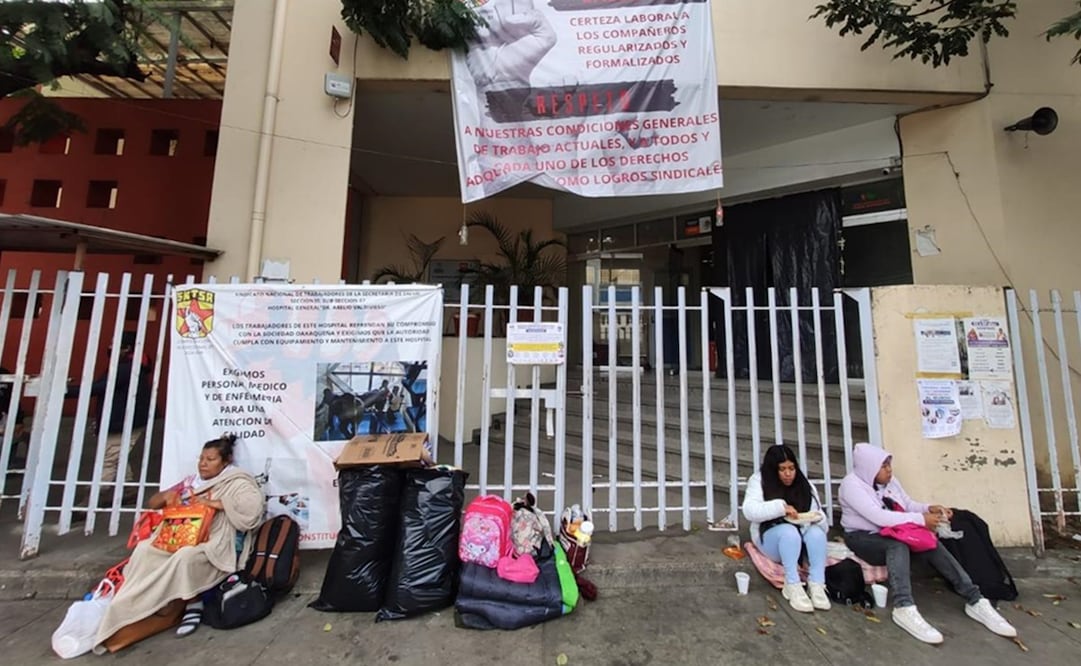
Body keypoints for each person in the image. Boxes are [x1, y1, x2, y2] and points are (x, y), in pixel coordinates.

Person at [93, 435, 265, 651]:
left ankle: (192, 602)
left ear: (226, 461)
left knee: (185, 557)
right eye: (201, 458)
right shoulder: (191, 483)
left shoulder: (238, 482)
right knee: (145, 549)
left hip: (216, 541)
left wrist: (212, 503)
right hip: (181, 536)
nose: (203, 464)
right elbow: (153, 503)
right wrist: (167, 496)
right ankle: (128, 599)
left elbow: (252, 511)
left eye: (210, 459)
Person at [839, 443, 1016, 644]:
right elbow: (879, 517)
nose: (889, 470)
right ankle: (904, 606)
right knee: (897, 546)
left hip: (896, 531)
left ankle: (975, 599)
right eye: (883, 466)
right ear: (869, 468)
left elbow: (907, 505)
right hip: (863, 536)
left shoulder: (891, 482)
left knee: (929, 541)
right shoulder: (851, 485)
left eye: (889, 464)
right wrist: (921, 520)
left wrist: (928, 508)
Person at [742, 444, 830, 613]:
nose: (788, 474)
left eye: (791, 468)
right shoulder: (759, 481)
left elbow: (821, 523)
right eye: (782, 469)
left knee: (817, 533)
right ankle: (792, 583)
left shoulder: (804, 485)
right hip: (770, 537)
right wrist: (780, 508)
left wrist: (818, 518)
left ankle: (817, 582)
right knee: (789, 533)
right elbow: (749, 511)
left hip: (801, 540)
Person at [70, 331, 152, 505]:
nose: (110, 347)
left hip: (123, 421)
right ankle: (128, 489)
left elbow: (101, 387)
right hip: (124, 420)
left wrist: (66, 390)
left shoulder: (127, 368)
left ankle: (93, 498)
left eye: (113, 344)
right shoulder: (131, 365)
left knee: (108, 458)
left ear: (127, 348)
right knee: (118, 454)